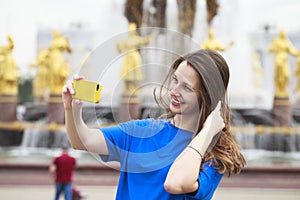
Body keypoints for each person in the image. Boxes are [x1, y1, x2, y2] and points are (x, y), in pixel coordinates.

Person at [62, 49, 246, 199]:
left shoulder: (214, 156)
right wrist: (73, 109)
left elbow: (174, 183)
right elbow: (81, 140)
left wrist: (207, 133)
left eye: (187, 87)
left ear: (207, 96)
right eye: (175, 80)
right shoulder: (142, 131)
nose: (174, 91)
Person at [268, 30, 299, 97]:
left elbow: (292, 51)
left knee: (286, 75)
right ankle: (280, 89)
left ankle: (283, 89)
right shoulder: (276, 41)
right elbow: (271, 49)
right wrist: (271, 46)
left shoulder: (287, 42)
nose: (283, 34)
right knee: (279, 75)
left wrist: (298, 53)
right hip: (278, 61)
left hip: (284, 61)